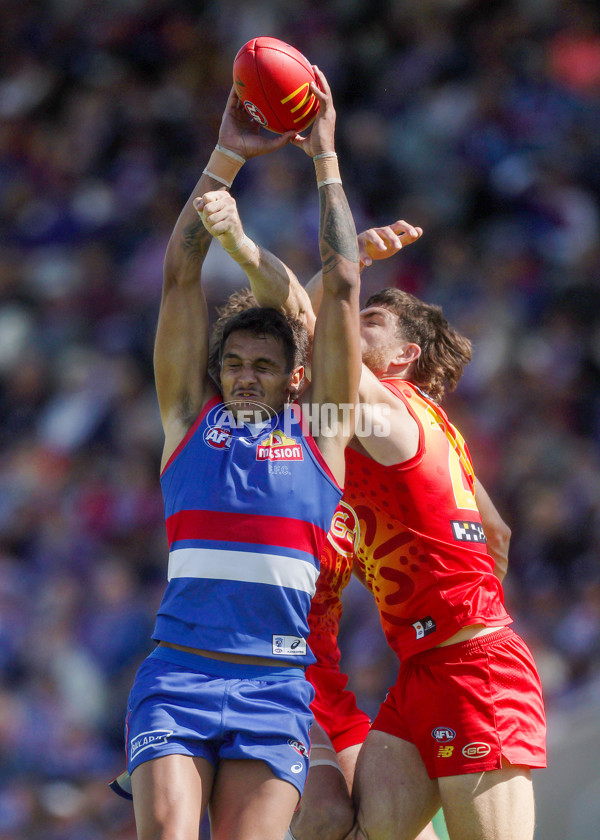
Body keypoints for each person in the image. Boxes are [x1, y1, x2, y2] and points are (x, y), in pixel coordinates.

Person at [200, 195, 547, 840]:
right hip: (417, 669)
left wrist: (332, 248)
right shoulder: (350, 428)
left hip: (474, 668)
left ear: (401, 359)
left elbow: (309, 319)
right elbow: (494, 528)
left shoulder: (386, 411)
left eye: (371, 321)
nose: (352, 325)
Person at [115, 67, 363, 840]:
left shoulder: (322, 431)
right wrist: (226, 154)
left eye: (264, 364)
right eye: (235, 363)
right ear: (218, 373)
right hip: (180, 673)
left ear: (296, 375)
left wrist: (324, 156)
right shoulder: (188, 421)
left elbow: (347, 286)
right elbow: (179, 275)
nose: (245, 375)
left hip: (275, 687)